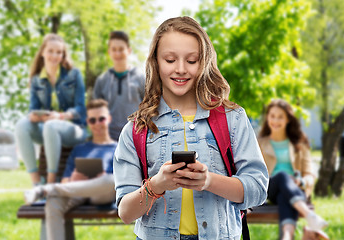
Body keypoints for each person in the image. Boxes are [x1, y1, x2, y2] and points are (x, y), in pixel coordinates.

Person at [113, 16, 269, 240]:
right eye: (169, 59)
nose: (180, 69)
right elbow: (126, 213)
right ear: (156, 62)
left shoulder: (232, 119)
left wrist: (209, 181)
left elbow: (258, 189)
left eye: (192, 60)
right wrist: (157, 185)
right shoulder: (136, 130)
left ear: (203, 62)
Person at [24, 99, 117, 240]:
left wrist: (101, 177)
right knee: (53, 202)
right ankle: (49, 190)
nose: (97, 124)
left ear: (108, 119)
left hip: (102, 194)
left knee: (111, 180)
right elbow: (65, 182)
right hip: (77, 192)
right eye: (92, 120)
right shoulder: (79, 149)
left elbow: (122, 181)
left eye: (101, 119)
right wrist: (73, 178)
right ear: (88, 122)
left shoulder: (118, 148)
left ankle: (46, 189)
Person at [15, 33, 87, 185]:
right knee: (22, 124)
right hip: (48, 129)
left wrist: (60, 116)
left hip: (75, 129)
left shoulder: (74, 75)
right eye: (51, 51)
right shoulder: (36, 79)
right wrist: (34, 116)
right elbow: (32, 109)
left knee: (50, 125)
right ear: (42, 52)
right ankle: (36, 181)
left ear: (63, 55)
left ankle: (50, 182)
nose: (55, 55)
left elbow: (81, 110)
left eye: (59, 52)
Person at [258, 99, 328, 240]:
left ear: (288, 119)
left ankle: (287, 236)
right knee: (283, 176)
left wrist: (301, 182)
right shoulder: (260, 143)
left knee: (285, 195)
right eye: (272, 116)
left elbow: (309, 173)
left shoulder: (299, 143)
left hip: (293, 190)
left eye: (280, 117)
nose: (275, 120)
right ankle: (310, 216)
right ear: (267, 118)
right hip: (269, 188)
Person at [93, 30, 145, 141]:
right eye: (114, 50)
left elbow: (150, 109)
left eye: (121, 49)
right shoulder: (102, 80)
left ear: (129, 51)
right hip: (108, 139)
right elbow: (95, 113)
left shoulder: (140, 78)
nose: (117, 53)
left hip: (134, 138)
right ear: (109, 52)